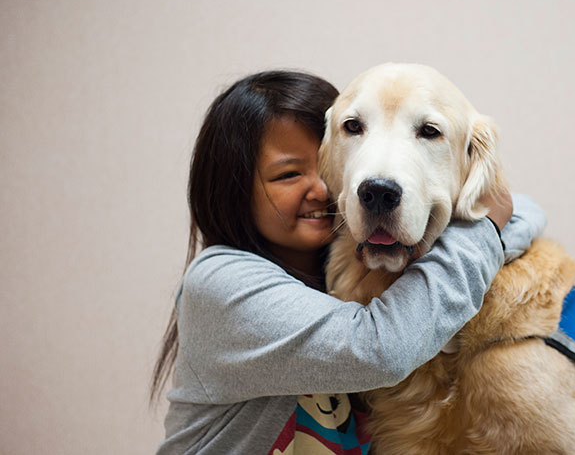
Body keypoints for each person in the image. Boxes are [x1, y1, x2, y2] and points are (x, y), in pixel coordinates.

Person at [151, 70, 546, 454]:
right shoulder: (221, 283)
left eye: (326, 165)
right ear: (233, 192)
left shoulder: (339, 268)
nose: (325, 188)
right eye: (289, 174)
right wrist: (486, 231)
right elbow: (379, 349)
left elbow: (515, 209)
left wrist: (488, 216)